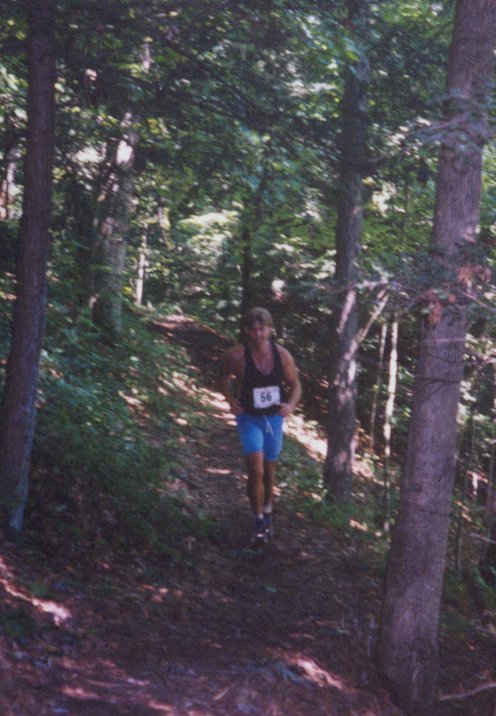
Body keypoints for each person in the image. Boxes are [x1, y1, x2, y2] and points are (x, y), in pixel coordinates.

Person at [219, 307, 302, 545]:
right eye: (253, 330)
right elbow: (222, 378)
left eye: (262, 329)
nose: (258, 334)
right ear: (246, 331)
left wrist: (290, 406)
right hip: (249, 418)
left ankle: (267, 510)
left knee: (269, 470)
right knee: (256, 469)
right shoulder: (236, 356)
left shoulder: (282, 355)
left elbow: (296, 385)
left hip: (274, 419)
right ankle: (257, 521)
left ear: (270, 329)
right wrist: (230, 400)